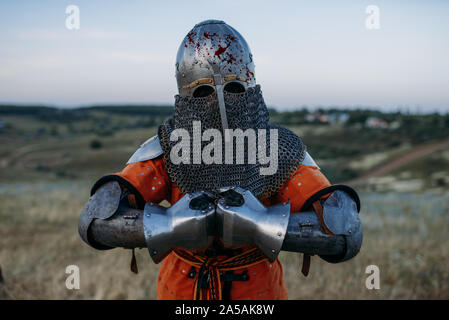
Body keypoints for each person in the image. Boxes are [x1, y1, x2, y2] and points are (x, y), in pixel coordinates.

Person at [78, 20, 362, 300]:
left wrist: (260, 224)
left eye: (233, 89)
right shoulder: (169, 146)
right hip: (180, 292)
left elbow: (345, 229)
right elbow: (96, 220)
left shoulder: (277, 149)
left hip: (257, 295)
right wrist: (171, 225)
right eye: (204, 92)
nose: (221, 104)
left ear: (249, 87)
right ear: (186, 96)